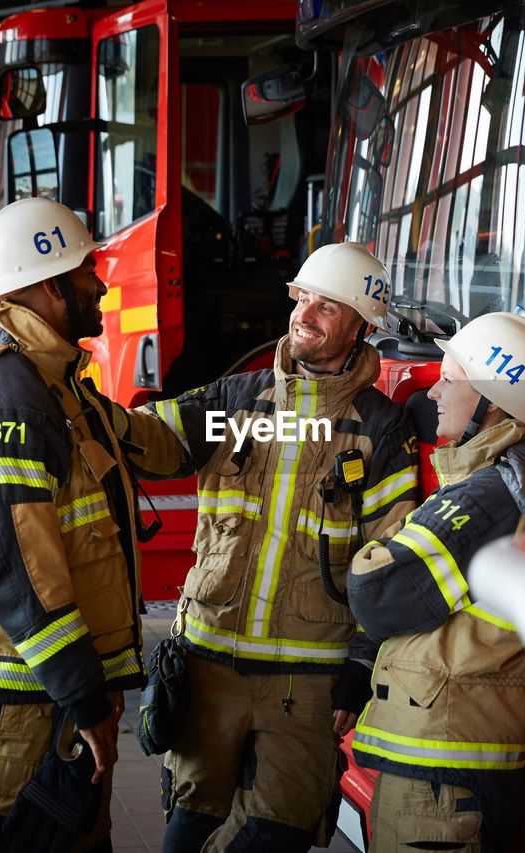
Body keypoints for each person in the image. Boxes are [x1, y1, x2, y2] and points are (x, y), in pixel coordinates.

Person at [0, 196, 185, 852]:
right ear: (50, 286)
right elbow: (13, 564)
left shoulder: (56, 385)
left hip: (52, 690)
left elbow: (144, 436)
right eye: (88, 274)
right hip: (29, 698)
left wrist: (248, 409)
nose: (104, 287)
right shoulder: (10, 395)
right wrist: (85, 695)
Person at [142, 241, 420, 852]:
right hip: (208, 662)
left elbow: (389, 558)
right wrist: (72, 413)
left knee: (277, 834)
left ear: (360, 326)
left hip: (308, 680)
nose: (306, 314)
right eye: (303, 299)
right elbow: (146, 439)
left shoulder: (379, 427)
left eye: (328, 306)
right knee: (189, 824)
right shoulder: (235, 402)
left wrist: (359, 666)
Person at [346, 312, 525, 852]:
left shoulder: (490, 496)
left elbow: (376, 592)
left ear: (493, 400)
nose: (432, 392)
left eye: (450, 380)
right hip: (457, 758)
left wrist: (381, 539)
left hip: (440, 773)